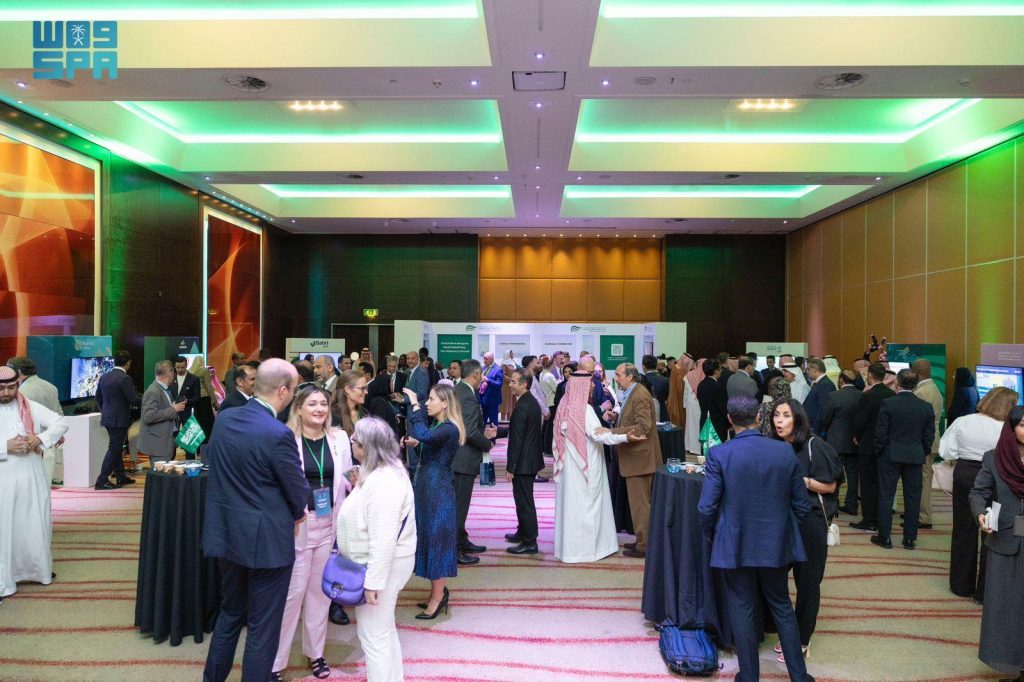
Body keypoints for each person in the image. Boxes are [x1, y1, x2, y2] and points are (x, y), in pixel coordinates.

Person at [202, 359, 310, 682]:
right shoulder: (277, 433)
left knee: (230, 614)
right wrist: (297, 514)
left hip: (228, 534)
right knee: (263, 628)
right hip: (267, 543)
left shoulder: (226, 418)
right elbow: (297, 491)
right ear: (283, 391)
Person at [698, 395, 814, 682]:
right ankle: (799, 676)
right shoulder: (784, 452)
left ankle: (749, 677)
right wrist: (783, 532)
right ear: (760, 418)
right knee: (782, 606)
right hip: (775, 544)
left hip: (735, 545)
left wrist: (714, 536)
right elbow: (802, 506)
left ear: (729, 420)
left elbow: (706, 508)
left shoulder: (719, 454)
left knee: (742, 609)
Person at [271, 386, 353, 681]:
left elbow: (346, 476)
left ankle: (315, 653)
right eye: (312, 404)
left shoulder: (339, 439)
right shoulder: (286, 439)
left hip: (329, 522)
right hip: (298, 525)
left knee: (320, 594)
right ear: (299, 408)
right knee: (292, 596)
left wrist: (359, 482)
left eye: (323, 404)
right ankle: (275, 662)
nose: (319, 409)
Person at [337, 417, 416, 682]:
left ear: (365, 447)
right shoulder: (383, 471)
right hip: (383, 565)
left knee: (373, 636)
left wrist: (373, 582)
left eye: (354, 440)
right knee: (382, 630)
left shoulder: (384, 482)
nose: (351, 444)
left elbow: (383, 540)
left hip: (382, 567)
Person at [770, 399, 843, 662]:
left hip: (809, 522)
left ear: (798, 419)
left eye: (786, 415)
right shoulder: (775, 447)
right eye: (776, 415)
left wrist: (802, 481)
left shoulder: (815, 446)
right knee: (772, 575)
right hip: (780, 521)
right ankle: (782, 629)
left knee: (808, 583)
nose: (779, 421)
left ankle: (801, 639)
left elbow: (831, 486)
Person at [940, 386, 1017, 601]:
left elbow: (946, 451)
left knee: (963, 528)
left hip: (964, 473)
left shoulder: (964, 421)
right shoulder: (1007, 429)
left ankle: (960, 585)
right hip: (998, 476)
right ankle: (985, 590)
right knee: (992, 531)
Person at [553, 373, 639, 563]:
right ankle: (590, 551)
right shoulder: (584, 410)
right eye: (590, 385)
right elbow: (598, 435)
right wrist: (625, 437)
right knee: (589, 506)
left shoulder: (563, 406)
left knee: (573, 508)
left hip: (569, 468)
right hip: (587, 466)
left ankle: (570, 550)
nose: (592, 388)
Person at [0, 365, 68, 605]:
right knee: (4, 528)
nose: (6, 393)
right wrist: (5, 446)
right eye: (1, 389)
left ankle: (37, 570)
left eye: (11, 387)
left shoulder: (28, 405)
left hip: (31, 476)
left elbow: (60, 422)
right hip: (3, 480)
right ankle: (3, 581)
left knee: (34, 523)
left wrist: (39, 438)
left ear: (18, 384)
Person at [970, 405, 1024, 682]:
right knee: (1005, 605)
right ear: (1011, 428)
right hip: (1004, 538)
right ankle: (1013, 663)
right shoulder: (994, 458)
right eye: (1023, 424)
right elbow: (978, 492)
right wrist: (980, 514)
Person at [402, 383, 464, 619]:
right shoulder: (440, 425)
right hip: (429, 488)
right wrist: (418, 445)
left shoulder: (449, 428)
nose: (427, 403)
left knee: (436, 542)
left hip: (438, 491)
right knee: (429, 538)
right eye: (426, 400)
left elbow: (424, 435)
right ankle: (436, 593)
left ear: (445, 404)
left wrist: (414, 404)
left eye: (431, 399)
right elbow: (429, 448)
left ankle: (438, 598)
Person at [872, 369, 935, 551]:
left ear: (897, 382)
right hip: (915, 456)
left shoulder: (888, 403)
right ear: (915, 385)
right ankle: (909, 539)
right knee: (913, 497)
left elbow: (881, 432)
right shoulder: (925, 407)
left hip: (889, 455)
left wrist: (879, 451)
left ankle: (885, 537)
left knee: (886, 496)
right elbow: (928, 435)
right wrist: (922, 452)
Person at [607, 363, 662, 558]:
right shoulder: (633, 392)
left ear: (630, 376)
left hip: (640, 459)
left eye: (619, 375)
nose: (616, 378)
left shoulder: (639, 395)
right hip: (636, 459)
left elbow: (643, 427)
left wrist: (613, 431)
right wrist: (617, 419)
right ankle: (642, 540)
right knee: (638, 504)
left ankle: (644, 545)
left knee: (640, 506)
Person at [451, 359, 497, 564]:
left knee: (459, 504)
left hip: (457, 456)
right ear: (477, 375)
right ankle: (455, 550)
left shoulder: (458, 390)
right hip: (463, 458)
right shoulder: (467, 396)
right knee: (459, 507)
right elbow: (469, 431)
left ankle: (462, 540)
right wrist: (487, 444)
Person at [849, 363, 895, 532]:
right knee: (883, 484)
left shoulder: (868, 395)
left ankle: (869, 520)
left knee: (867, 484)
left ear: (869, 375)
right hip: (886, 446)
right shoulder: (892, 394)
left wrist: (856, 436)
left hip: (867, 445)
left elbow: (860, 420)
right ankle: (881, 519)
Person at [503, 369, 545, 554]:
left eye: (513, 382)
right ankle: (523, 532)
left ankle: (530, 541)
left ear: (524, 384)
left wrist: (510, 466)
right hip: (529, 459)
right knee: (523, 499)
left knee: (524, 501)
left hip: (523, 462)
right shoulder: (530, 401)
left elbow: (517, 439)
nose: (510, 385)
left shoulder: (523, 405)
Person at [8, 357, 63, 484]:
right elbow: (58, 412)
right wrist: (58, 434)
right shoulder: (51, 387)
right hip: (48, 442)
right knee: (45, 483)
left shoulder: (20, 392)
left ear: (19, 372)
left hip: (28, 445)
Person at [94, 350, 140, 489]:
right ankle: (102, 480)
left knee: (116, 447)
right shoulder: (125, 378)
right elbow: (133, 399)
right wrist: (148, 401)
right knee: (114, 449)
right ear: (128, 363)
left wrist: (105, 411)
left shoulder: (104, 377)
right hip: (119, 419)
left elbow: (98, 397)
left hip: (108, 418)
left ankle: (121, 477)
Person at [820, 370, 863, 516]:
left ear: (841, 380)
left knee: (834, 474)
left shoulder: (833, 396)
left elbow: (825, 418)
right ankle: (851, 505)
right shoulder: (862, 396)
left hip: (835, 442)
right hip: (855, 442)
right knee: (853, 475)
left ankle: (833, 505)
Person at [913, 359, 943, 530]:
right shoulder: (932, 388)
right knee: (922, 479)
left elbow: (919, 420)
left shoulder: (922, 392)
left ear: (917, 373)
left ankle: (924, 517)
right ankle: (918, 512)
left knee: (923, 481)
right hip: (930, 440)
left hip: (924, 442)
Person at [139, 361, 186, 465]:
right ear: (169, 374)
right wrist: (173, 409)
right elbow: (148, 417)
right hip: (159, 444)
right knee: (160, 473)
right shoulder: (153, 391)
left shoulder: (164, 389)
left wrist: (174, 407)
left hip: (166, 440)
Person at [697, 359, 729, 443]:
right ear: (715, 371)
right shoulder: (718, 387)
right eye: (720, 369)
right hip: (716, 426)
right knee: (717, 450)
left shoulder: (701, 385)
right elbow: (723, 408)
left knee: (706, 449)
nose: (721, 371)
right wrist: (729, 423)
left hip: (704, 423)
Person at [802, 358, 836, 436]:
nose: (807, 372)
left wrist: (816, 431)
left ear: (815, 369)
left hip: (817, 429)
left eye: (808, 369)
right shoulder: (818, 383)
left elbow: (822, 409)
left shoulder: (825, 384)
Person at [331, 369, 369, 437]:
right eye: (362, 388)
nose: (366, 392)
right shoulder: (333, 417)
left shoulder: (365, 413)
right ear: (347, 389)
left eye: (366, 388)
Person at [170, 355, 202, 429]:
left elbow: (197, 397)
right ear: (174, 366)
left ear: (186, 366)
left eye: (182, 367)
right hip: (173, 413)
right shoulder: (171, 378)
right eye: (178, 367)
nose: (180, 369)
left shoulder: (194, 379)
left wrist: (187, 401)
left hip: (188, 412)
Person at [683, 356, 704, 454]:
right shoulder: (706, 376)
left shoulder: (688, 375)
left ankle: (690, 447)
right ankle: (698, 448)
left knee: (690, 426)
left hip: (690, 403)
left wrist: (684, 404)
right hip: (700, 404)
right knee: (699, 425)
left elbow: (686, 392)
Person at [478, 351, 504, 426]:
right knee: (482, 422)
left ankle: (493, 434)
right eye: (484, 359)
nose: (484, 360)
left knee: (493, 423)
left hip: (492, 401)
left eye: (486, 359)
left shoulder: (498, 370)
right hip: (482, 400)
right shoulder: (483, 368)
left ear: (492, 359)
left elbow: (499, 385)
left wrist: (488, 380)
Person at [667, 353, 692, 429]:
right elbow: (680, 388)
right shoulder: (678, 370)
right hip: (678, 397)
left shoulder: (677, 368)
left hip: (677, 397)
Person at [642, 354, 669, 421]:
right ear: (656, 366)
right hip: (662, 413)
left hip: (644, 414)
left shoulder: (640, 381)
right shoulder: (666, 380)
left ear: (643, 366)